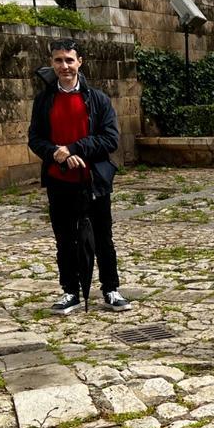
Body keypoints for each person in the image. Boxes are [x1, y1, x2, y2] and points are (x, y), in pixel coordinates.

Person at [27, 38, 131, 315]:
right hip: (59, 180)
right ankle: (70, 291)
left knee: (102, 238)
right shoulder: (44, 100)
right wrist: (55, 153)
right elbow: (35, 138)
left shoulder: (97, 99)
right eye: (59, 60)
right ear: (52, 63)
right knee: (64, 239)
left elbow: (110, 139)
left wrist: (75, 149)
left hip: (93, 180)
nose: (64, 66)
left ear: (79, 62)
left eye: (69, 60)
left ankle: (110, 288)